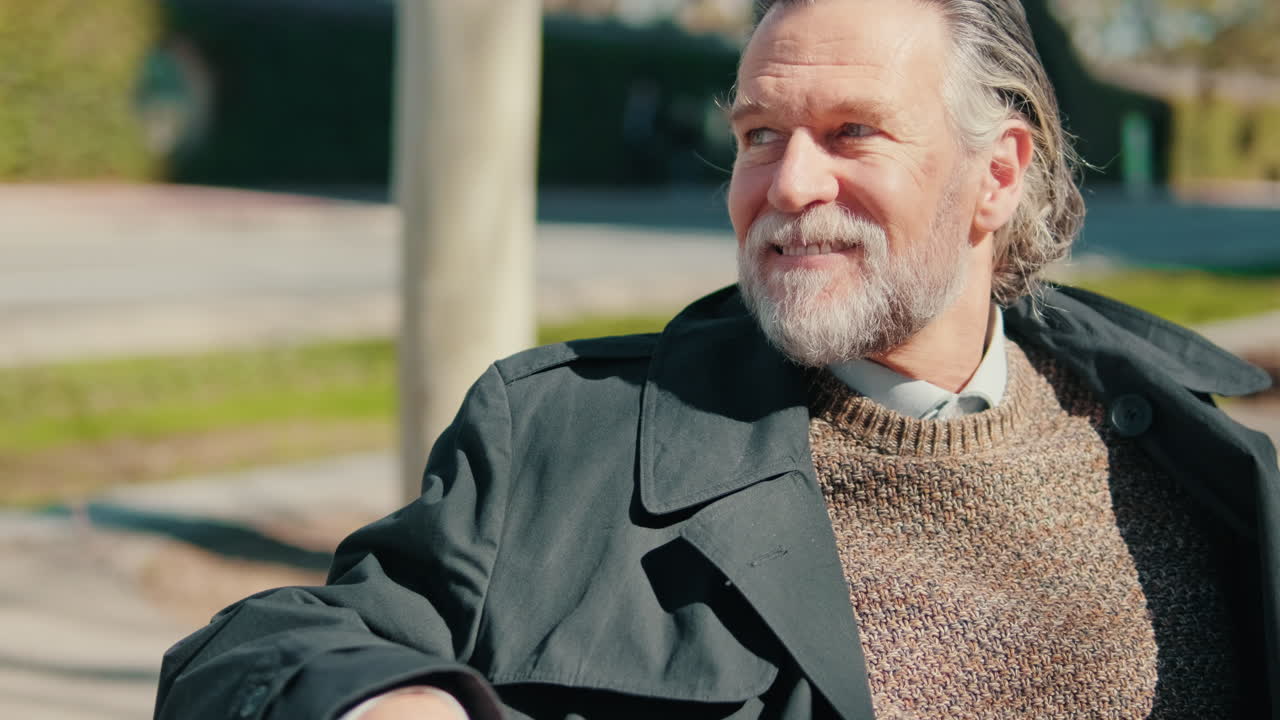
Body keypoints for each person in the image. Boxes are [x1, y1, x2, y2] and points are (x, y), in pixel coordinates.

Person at [154, 1, 1280, 718]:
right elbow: (250, 655)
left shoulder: (1203, 472)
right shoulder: (558, 441)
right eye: (756, 136)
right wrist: (381, 698)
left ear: (995, 175)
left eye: (850, 134)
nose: (783, 187)